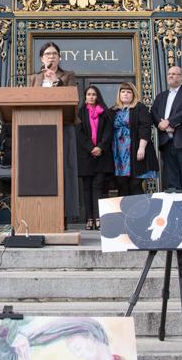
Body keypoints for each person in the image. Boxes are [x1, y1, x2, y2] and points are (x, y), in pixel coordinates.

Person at [27, 41, 80, 223]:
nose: (51, 57)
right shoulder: (34, 78)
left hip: (63, 127)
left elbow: (72, 98)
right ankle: (39, 214)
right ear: (42, 58)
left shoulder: (68, 76)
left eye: (54, 54)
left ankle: (64, 215)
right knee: (40, 170)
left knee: (63, 169)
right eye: (48, 54)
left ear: (59, 57)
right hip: (39, 130)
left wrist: (55, 81)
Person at [76, 85, 114, 230]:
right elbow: (79, 134)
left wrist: (100, 147)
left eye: (94, 94)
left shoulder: (105, 113)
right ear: (85, 97)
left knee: (97, 187)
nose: (91, 97)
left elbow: (108, 132)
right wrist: (91, 148)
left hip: (101, 156)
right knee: (86, 188)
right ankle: (89, 218)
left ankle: (98, 218)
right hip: (86, 155)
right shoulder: (79, 113)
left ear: (97, 96)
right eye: (89, 94)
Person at [111, 82, 159, 196]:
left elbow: (145, 128)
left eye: (129, 92)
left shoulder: (139, 107)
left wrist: (141, 148)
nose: (126, 94)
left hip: (135, 150)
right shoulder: (113, 110)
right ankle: (124, 213)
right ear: (119, 94)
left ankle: (140, 212)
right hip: (118, 152)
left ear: (133, 94)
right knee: (122, 183)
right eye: (123, 92)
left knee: (135, 183)